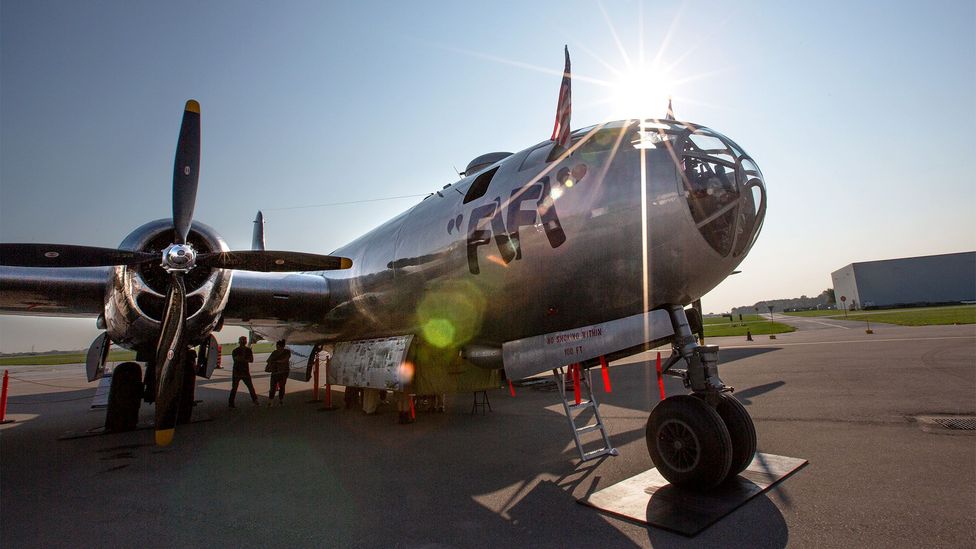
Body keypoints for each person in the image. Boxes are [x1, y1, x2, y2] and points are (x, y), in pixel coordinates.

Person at [229, 336, 259, 407]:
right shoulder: (237, 350)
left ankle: (255, 400)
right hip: (238, 372)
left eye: (244, 340)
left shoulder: (243, 350)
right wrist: (246, 359)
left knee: (249, 387)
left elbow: (251, 360)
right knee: (235, 388)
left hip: (242, 372)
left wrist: (243, 359)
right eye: (242, 340)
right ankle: (231, 403)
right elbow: (238, 359)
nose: (243, 342)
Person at [266, 340, 291, 406]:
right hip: (276, 372)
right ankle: (271, 401)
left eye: (278, 346)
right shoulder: (276, 352)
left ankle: (280, 400)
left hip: (283, 372)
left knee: (281, 386)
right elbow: (268, 360)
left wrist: (275, 361)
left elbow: (284, 360)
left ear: (282, 346)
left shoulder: (286, 352)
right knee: (273, 387)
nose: (277, 348)